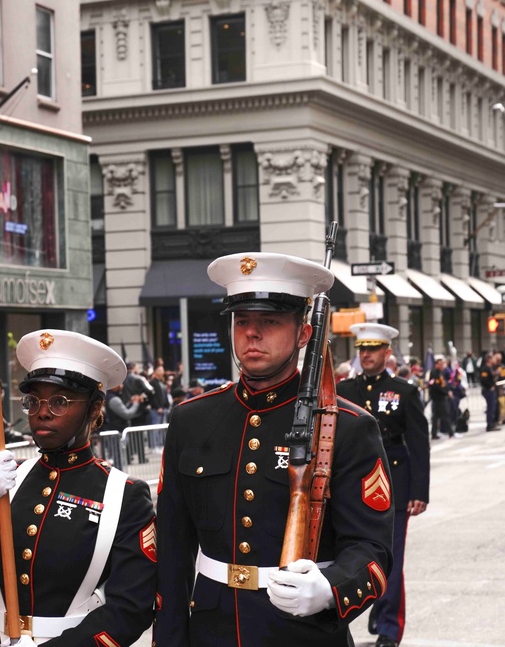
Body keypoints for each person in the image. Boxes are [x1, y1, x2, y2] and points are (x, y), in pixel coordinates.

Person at [154, 252, 394, 646]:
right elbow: (173, 551)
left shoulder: (348, 428)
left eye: (270, 321)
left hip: (304, 631)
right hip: (212, 629)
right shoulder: (191, 418)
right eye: (242, 320)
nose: (252, 333)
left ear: (303, 333)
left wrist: (329, 589)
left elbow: (372, 549)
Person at [0, 329, 157, 645]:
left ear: (94, 408)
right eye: (33, 400)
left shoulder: (124, 495)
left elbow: (131, 609)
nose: (43, 412)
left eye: (60, 401)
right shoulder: (11, 478)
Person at [337, 323, 430, 647]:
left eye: (373, 349)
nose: (366, 355)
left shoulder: (404, 391)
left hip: (393, 478)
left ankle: (389, 628)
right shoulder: (344, 390)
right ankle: (339, 622)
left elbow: (418, 443)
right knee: (343, 554)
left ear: (387, 352)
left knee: (391, 557)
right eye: (362, 349)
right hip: (350, 479)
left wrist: (419, 491)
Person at [426, 355, 453, 439]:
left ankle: (434, 433)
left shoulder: (440, 373)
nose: (442, 366)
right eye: (440, 364)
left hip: (440, 397)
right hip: (438, 398)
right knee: (445, 414)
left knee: (436, 416)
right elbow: (436, 386)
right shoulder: (434, 373)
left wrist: (447, 390)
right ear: (436, 364)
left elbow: (443, 384)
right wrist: (446, 392)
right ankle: (450, 432)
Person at [478, 352, 502, 432]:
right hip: (488, 390)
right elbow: (483, 380)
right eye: (492, 358)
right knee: (490, 408)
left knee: (493, 407)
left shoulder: (491, 368)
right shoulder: (485, 368)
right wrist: (490, 386)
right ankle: (490, 425)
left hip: (492, 389)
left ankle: (493, 423)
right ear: (488, 359)